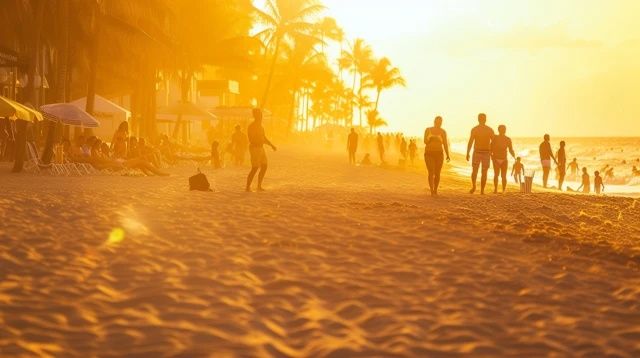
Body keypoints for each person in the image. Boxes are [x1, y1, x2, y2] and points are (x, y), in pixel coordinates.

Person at [246, 108, 276, 192]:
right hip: (254, 148)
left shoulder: (261, 126)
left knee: (264, 166)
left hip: (261, 148)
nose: (260, 116)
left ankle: (259, 186)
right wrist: (258, 139)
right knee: (255, 168)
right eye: (259, 115)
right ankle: (247, 187)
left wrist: (271, 145)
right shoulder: (252, 126)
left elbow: (264, 138)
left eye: (261, 115)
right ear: (255, 116)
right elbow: (250, 139)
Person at [466, 113, 495, 194]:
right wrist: (493, 153)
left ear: (478, 119)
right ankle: (480, 190)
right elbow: (494, 143)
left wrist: (468, 152)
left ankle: (475, 187)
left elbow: (470, 142)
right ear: (485, 119)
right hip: (481, 152)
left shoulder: (476, 129)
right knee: (482, 171)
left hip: (483, 152)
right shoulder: (488, 129)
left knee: (476, 171)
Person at [424, 116, 451, 196]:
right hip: (429, 153)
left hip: (439, 154)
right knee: (431, 171)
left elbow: (445, 143)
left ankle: (435, 189)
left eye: (440, 122)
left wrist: (447, 154)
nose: (438, 123)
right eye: (437, 121)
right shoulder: (428, 130)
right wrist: (431, 139)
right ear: (434, 121)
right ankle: (431, 190)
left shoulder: (443, 132)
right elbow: (425, 141)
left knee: (437, 173)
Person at [491, 124, 516, 193]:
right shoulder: (495, 138)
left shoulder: (508, 139)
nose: (503, 131)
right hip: (496, 159)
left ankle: (503, 190)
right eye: (502, 129)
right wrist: (491, 155)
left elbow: (510, 149)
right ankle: (496, 189)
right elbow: (491, 147)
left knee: (503, 176)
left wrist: (514, 156)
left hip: (504, 159)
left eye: (504, 129)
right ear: (499, 130)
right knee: (497, 175)